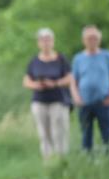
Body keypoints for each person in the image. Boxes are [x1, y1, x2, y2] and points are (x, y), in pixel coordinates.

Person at [23, 28, 72, 159]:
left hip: (58, 100)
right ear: (38, 42)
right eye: (43, 40)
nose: (46, 43)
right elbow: (26, 81)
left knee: (59, 132)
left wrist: (55, 83)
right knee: (44, 134)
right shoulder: (34, 61)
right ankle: (48, 161)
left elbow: (70, 79)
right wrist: (36, 85)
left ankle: (61, 159)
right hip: (40, 101)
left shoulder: (61, 59)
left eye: (48, 40)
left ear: (53, 41)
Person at [70, 25, 109, 152]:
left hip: (104, 101)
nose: (92, 41)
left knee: (107, 135)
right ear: (83, 40)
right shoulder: (78, 58)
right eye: (89, 38)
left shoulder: (107, 56)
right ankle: (87, 158)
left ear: (99, 39)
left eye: (95, 38)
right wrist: (76, 97)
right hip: (84, 102)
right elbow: (73, 81)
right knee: (86, 135)